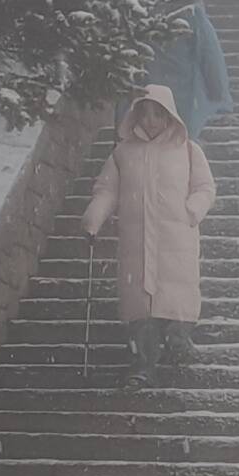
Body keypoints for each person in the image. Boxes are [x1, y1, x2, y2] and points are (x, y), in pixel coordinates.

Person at [83, 84, 215, 386]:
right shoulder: (123, 153)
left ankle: (179, 342)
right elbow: (107, 190)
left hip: (176, 240)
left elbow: (205, 187)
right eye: (145, 114)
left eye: (158, 114)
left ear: (169, 116)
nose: (151, 120)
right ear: (136, 116)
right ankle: (143, 362)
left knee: (176, 298)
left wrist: (192, 209)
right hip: (137, 242)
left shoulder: (188, 150)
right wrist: (93, 219)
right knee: (141, 306)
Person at [136, 0, 232, 141]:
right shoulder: (187, 11)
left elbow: (208, 53)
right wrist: (216, 90)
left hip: (172, 91)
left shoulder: (189, 12)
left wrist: (216, 89)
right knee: (174, 141)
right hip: (165, 91)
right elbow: (209, 53)